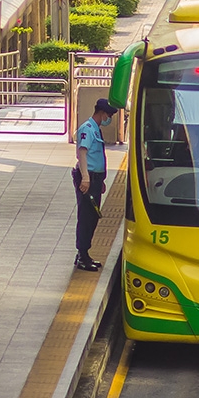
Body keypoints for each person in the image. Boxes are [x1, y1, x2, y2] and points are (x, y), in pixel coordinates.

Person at [72, 98, 118, 271]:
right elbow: (82, 153)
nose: (109, 119)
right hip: (88, 178)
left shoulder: (96, 129)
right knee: (86, 217)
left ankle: (84, 254)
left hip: (95, 178)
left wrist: (101, 180)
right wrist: (85, 178)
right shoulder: (88, 129)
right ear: (102, 113)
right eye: (109, 115)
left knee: (92, 216)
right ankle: (82, 255)